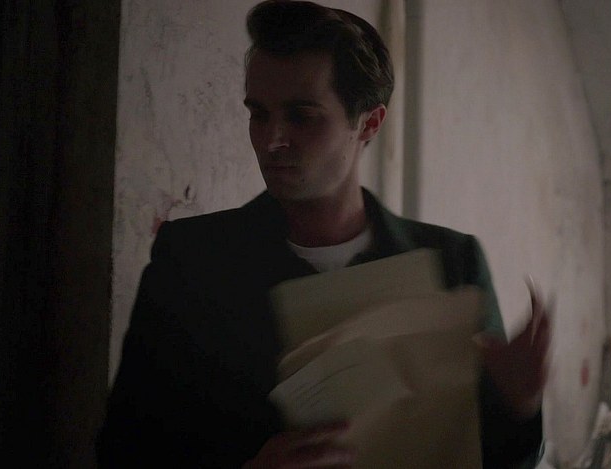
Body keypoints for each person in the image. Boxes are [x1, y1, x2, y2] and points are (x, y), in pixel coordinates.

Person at [97, 1, 550, 467]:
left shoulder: (452, 262)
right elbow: (123, 450)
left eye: (301, 116)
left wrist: (519, 407)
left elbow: (491, 457)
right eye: (259, 114)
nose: (272, 140)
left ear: (369, 122)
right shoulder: (193, 260)